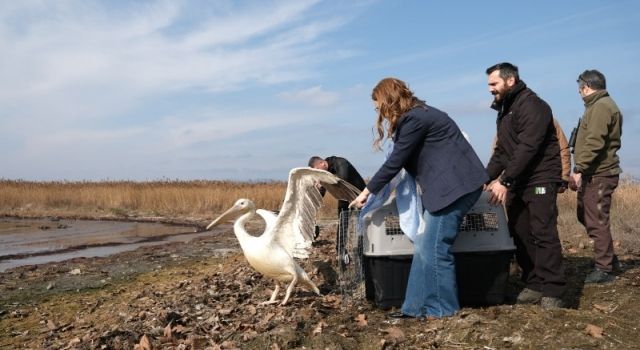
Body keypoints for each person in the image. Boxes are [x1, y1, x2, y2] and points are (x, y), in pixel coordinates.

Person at [350, 77, 488, 319]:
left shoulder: (415, 119)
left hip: (455, 189)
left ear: (388, 100)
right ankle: (413, 308)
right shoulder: (419, 115)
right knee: (425, 246)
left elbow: (395, 161)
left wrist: (367, 191)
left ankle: (442, 309)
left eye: (377, 105)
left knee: (435, 249)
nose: (377, 111)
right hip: (450, 188)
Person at [484, 62, 566, 309]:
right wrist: (482, 177)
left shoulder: (533, 105)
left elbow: (528, 147)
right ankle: (533, 283)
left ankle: (553, 291)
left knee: (543, 233)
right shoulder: (505, 110)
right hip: (519, 181)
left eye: (493, 83)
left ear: (510, 80)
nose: (490, 89)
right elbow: (501, 153)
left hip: (540, 179)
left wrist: (505, 180)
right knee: (519, 232)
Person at [569, 69, 623, 284]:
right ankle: (609, 258)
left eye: (580, 88)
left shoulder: (601, 107)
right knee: (585, 215)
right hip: (593, 172)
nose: (579, 92)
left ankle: (605, 269)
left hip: (600, 173)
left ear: (587, 87)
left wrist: (579, 168)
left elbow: (595, 142)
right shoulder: (597, 106)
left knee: (596, 220)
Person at [308, 156, 366, 249]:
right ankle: (340, 249)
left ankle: (361, 248)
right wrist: (318, 189)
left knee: (360, 223)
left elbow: (342, 181)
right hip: (344, 196)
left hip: (359, 195)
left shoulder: (341, 163)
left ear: (322, 163)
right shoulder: (324, 173)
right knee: (342, 219)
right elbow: (321, 194)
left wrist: (324, 181)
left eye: (318, 170)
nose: (318, 173)